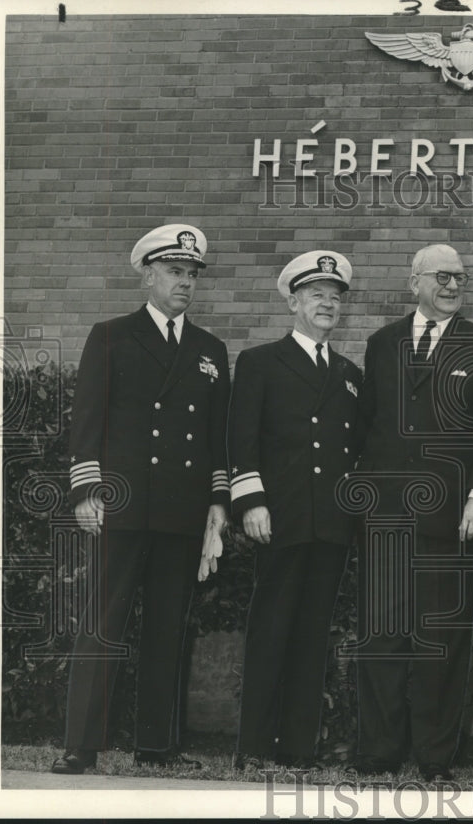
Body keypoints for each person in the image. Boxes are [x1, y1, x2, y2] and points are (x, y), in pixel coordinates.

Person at [52, 224, 230, 775]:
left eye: (192, 274)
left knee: (167, 627)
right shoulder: (111, 336)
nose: (186, 283)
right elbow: (87, 419)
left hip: (181, 509)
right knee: (102, 621)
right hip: (122, 504)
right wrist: (85, 487)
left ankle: (157, 744)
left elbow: (217, 437)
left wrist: (217, 506)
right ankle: (81, 744)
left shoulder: (210, 350)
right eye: (175, 272)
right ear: (148, 274)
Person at [350, 244, 473, 782]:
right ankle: (378, 751)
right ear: (414, 281)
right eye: (442, 276)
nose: (452, 285)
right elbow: (369, 425)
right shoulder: (381, 344)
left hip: (450, 517)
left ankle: (436, 757)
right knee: (382, 635)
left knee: (442, 638)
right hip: (386, 516)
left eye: (460, 278)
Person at [228, 250, 363, 770]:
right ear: (293, 301)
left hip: (330, 523)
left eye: (334, 297)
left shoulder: (350, 373)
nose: (327, 304)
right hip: (279, 516)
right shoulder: (261, 362)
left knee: (312, 635)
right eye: (316, 295)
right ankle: (254, 747)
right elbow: (243, 438)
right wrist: (252, 502)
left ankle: (298, 747)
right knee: (271, 629)